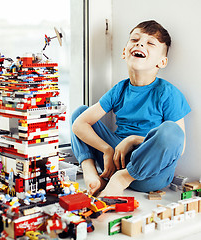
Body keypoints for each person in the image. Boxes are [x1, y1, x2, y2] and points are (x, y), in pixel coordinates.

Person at [70, 20, 191, 197]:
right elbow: (79, 125)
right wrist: (107, 149)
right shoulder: (119, 90)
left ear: (162, 62)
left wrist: (134, 140)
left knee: (172, 130)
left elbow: (179, 147)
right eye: (135, 39)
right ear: (124, 52)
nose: (140, 43)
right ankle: (91, 174)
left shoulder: (167, 93)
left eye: (150, 43)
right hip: (116, 161)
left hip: (151, 173)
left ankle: (123, 178)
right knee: (80, 113)